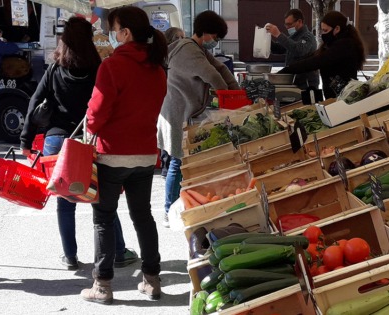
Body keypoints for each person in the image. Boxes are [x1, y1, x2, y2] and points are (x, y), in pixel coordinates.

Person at [19, 17, 139, 272]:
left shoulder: (54, 69)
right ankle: (118, 251)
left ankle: (70, 256)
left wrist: (25, 141)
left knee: (65, 200)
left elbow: (34, 104)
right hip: (91, 139)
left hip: (56, 141)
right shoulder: (100, 69)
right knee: (101, 197)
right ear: (89, 39)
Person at [81, 6, 168, 304]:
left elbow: (96, 112)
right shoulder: (156, 67)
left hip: (112, 154)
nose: (112, 35)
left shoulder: (113, 66)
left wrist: (90, 129)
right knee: (143, 216)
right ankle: (151, 280)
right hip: (144, 154)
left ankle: (102, 286)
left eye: (115, 29)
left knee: (104, 218)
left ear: (126, 33)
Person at [157, 11, 239, 225]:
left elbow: (220, 67)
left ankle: (183, 204)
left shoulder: (197, 48)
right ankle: (168, 210)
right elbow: (211, 75)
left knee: (182, 160)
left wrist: (237, 93)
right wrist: (227, 96)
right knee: (177, 161)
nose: (216, 41)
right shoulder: (188, 50)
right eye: (215, 36)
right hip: (177, 114)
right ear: (204, 33)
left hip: (184, 111)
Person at [278, 11, 366, 99]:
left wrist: (286, 70)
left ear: (337, 29)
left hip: (343, 98)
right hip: (334, 97)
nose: (323, 34)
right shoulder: (333, 43)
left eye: (325, 30)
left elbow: (316, 61)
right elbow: (312, 57)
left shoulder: (345, 45)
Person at [264, 9, 319, 89]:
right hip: (293, 80)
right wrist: (267, 39)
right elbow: (279, 49)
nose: (287, 27)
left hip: (307, 83)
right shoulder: (293, 37)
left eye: (289, 24)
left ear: (299, 22)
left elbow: (299, 50)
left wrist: (279, 35)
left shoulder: (308, 37)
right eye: (286, 25)